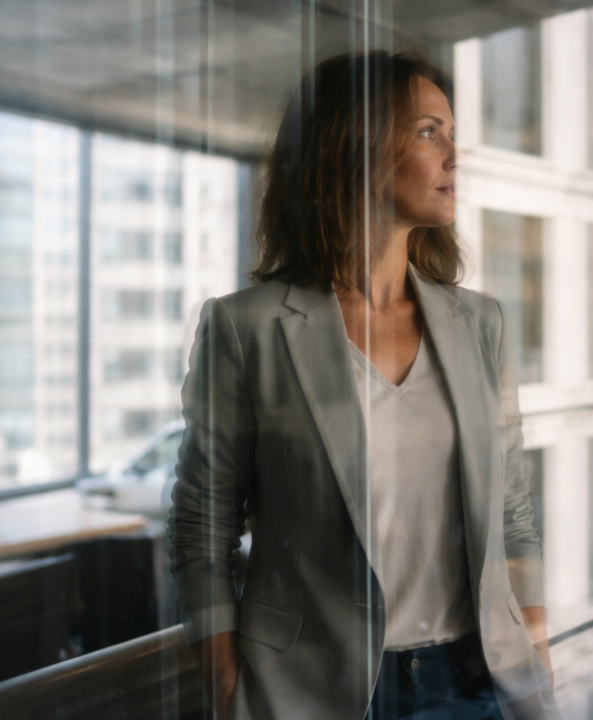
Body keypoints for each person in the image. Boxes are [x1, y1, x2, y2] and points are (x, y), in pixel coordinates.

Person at [167, 50, 558, 720]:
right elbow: (203, 523)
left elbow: (512, 509)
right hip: (308, 690)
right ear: (356, 150)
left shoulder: (480, 324)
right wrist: (222, 674)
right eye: (430, 132)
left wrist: (536, 644)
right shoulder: (247, 329)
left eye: (452, 133)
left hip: (471, 680)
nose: (455, 157)